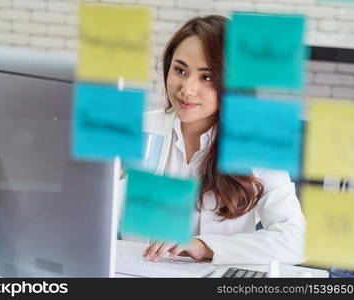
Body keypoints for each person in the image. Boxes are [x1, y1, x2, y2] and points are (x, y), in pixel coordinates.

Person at [121, 15, 306, 266]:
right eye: (180, 70)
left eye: (207, 77)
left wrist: (204, 247)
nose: (187, 89)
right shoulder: (136, 128)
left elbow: (296, 240)